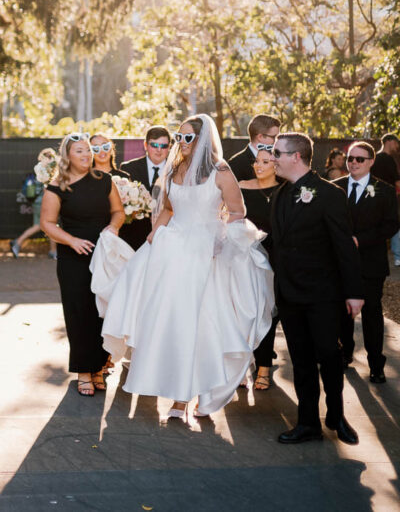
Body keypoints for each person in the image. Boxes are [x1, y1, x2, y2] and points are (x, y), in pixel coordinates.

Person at [92, 114, 274, 419]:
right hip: (171, 247)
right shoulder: (175, 168)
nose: (182, 142)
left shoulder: (221, 169)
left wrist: (220, 233)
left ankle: (193, 395)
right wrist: (154, 234)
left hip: (204, 251)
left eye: (188, 137)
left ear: (203, 139)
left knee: (200, 325)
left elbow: (238, 210)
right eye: (180, 137)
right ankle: (173, 391)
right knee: (166, 321)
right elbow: (168, 207)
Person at [270, 132, 363, 445]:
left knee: (329, 355)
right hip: (289, 294)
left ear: (296, 156)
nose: (273, 158)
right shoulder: (280, 194)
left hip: (322, 293)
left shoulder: (329, 194)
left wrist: (354, 292)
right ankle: (307, 422)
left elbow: (344, 247)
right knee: (301, 361)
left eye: (277, 153)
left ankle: (336, 415)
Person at [39, 133, 125, 397]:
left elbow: (118, 212)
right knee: (79, 314)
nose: (87, 155)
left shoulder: (105, 181)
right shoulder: (56, 187)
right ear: (68, 156)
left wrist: (112, 229)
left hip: (104, 256)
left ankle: (99, 367)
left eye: (87, 150)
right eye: (79, 151)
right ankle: (83, 372)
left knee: (102, 310)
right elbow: (47, 224)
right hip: (73, 260)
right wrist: (72, 241)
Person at [333, 141, 399, 383]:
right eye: (351, 158)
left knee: (372, 313)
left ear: (371, 161)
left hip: (371, 262)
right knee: (342, 312)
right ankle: (344, 354)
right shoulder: (334, 188)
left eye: (360, 159)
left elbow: (391, 224)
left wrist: (360, 240)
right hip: (339, 262)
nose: (353, 163)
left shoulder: (385, 191)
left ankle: (375, 364)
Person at [239, 149, 284, 390]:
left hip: (274, 259)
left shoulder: (284, 190)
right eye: (257, 161)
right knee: (242, 313)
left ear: (276, 164)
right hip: (243, 257)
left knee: (266, 312)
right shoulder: (241, 187)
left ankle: (264, 366)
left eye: (265, 162)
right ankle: (241, 367)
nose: (259, 165)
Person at [119, 125, 171, 250]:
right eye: (154, 145)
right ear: (145, 145)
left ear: (169, 147)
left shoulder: (176, 170)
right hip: (134, 237)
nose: (159, 150)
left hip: (167, 235)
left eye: (163, 146)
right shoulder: (128, 168)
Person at [10, 169, 57, 259]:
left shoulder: (40, 171)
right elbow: (46, 190)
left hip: (37, 203)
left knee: (37, 226)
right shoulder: (47, 173)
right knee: (51, 225)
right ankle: (53, 251)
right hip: (43, 204)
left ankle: (18, 242)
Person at [370, 133, 400, 267]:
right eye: (396, 142)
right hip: (389, 199)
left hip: (373, 197)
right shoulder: (388, 159)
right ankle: (398, 256)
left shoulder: (373, 158)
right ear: (388, 141)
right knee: (395, 224)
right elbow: (397, 182)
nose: (397, 146)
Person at [228, 114, 281, 182]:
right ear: (260, 137)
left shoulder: (278, 160)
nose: (277, 141)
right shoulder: (235, 164)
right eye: (274, 137)